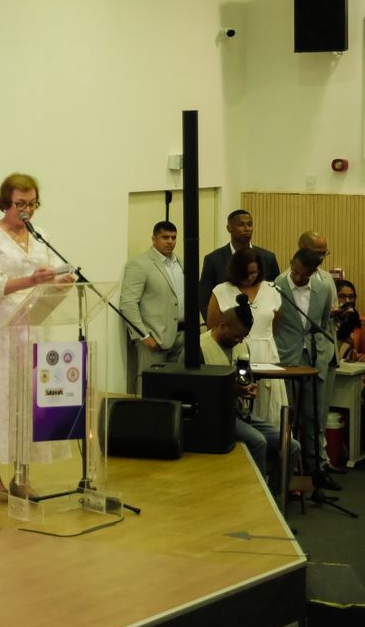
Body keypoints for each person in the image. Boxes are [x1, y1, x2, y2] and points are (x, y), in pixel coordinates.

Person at [0, 172, 74, 500]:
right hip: (0, 332)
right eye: (20, 204)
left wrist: (60, 281)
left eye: (32, 204)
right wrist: (32, 280)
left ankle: (22, 474)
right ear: (5, 203)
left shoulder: (41, 236)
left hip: (35, 329)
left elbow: (53, 271)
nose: (27, 211)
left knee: (30, 401)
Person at [199, 297, 295, 496]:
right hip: (217, 416)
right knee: (258, 442)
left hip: (241, 413)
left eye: (243, 337)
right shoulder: (199, 348)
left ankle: (274, 496)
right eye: (237, 336)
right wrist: (234, 391)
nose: (240, 341)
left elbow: (244, 377)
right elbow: (197, 392)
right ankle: (257, 498)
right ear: (223, 325)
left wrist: (248, 388)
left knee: (291, 445)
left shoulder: (242, 347)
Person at [274, 249, 337, 489]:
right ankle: (286, 470)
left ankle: (316, 468)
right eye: (295, 271)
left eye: (305, 274)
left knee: (314, 416)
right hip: (285, 358)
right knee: (286, 415)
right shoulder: (277, 286)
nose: (299, 277)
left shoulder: (323, 288)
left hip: (313, 358)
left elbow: (322, 323)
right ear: (291, 263)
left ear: (314, 271)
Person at [206, 248, 284, 426]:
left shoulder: (272, 290)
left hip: (266, 354)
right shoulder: (221, 291)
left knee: (268, 412)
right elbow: (213, 330)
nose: (250, 277)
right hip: (234, 353)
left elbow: (274, 325)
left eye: (254, 273)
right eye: (246, 273)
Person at [119, 220, 186, 391]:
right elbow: (128, 304)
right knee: (150, 387)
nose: (170, 241)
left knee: (177, 387)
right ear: (154, 239)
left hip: (181, 336)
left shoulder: (180, 262)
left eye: (173, 237)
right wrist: (144, 336)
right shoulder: (139, 264)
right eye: (165, 237)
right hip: (154, 339)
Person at [199, 210, 280, 322]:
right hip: (228, 325)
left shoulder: (267, 258)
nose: (247, 229)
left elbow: (276, 296)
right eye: (241, 225)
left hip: (263, 324)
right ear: (229, 228)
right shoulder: (213, 260)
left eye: (249, 224)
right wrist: (217, 325)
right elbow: (204, 299)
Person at [336, 279, 361, 362]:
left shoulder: (359, 322)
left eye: (351, 297)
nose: (347, 301)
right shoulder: (327, 321)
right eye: (342, 296)